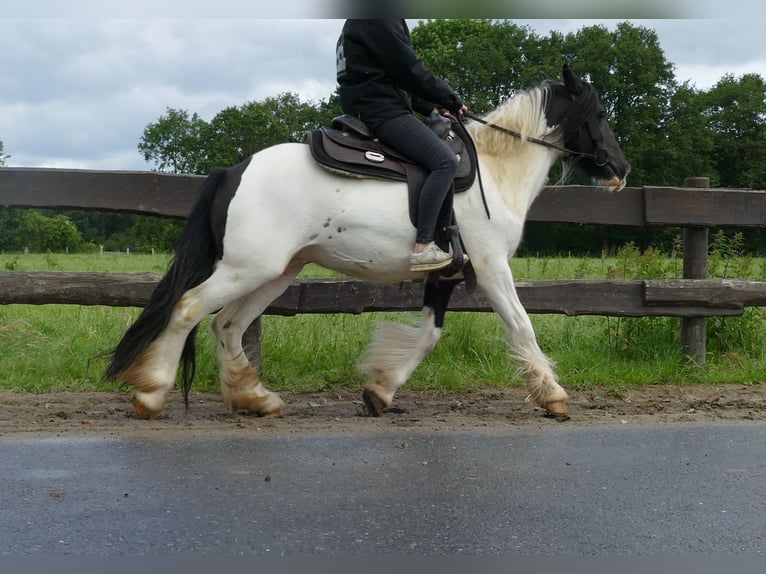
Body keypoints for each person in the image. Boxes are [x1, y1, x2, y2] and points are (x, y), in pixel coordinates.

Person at [336, 19, 469, 272]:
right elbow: (408, 70)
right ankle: (423, 246)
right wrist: (451, 98)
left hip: (366, 107)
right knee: (445, 161)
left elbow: (393, 79)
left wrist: (432, 106)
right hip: (381, 112)